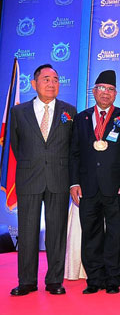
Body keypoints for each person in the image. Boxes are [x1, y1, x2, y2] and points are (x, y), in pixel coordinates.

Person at [9, 64, 76, 296]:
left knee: (56, 232)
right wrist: (33, 162)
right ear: (34, 83)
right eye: (46, 79)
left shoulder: (70, 111)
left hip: (59, 178)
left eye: (55, 79)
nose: (51, 83)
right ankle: (26, 281)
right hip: (29, 177)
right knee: (27, 232)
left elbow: (72, 148)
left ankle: (54, 280)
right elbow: (16, 147)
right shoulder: (18, 112)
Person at [69, 70, 120, 295]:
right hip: (87, 187)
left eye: (110, 90)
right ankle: (94, 279)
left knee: (116, 233)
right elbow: (74, 153)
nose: (105, 93)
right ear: (94, 91)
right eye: (101, 89)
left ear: (115, 94)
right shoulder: (82, 117)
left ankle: (113, 279)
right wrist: (74, 183)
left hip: (117, 186)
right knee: (91, 232)